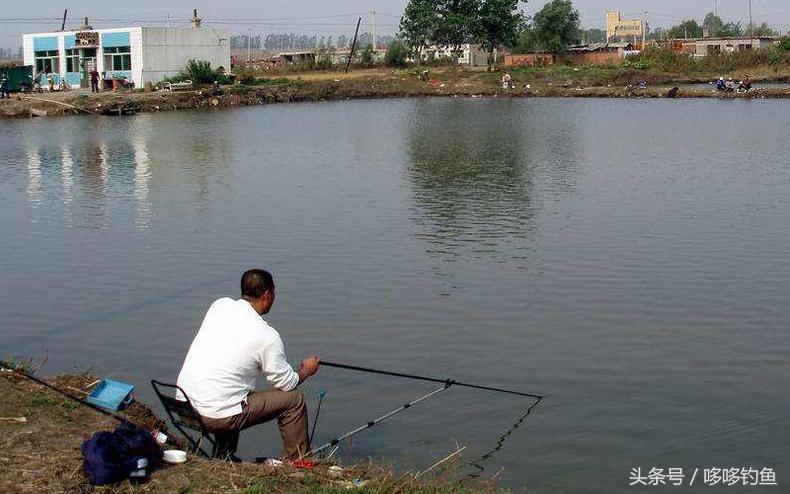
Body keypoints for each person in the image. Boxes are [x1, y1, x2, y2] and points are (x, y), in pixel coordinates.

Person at [176, 269, 320, 460]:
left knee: (231, 391)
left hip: (183, 406)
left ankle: (223, 456)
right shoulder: (267, 336)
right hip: (214, 416)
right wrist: (306, 370)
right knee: (295, 400)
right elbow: (286, 383)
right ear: (267, 295)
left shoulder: (219, 306)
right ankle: (298, 461)